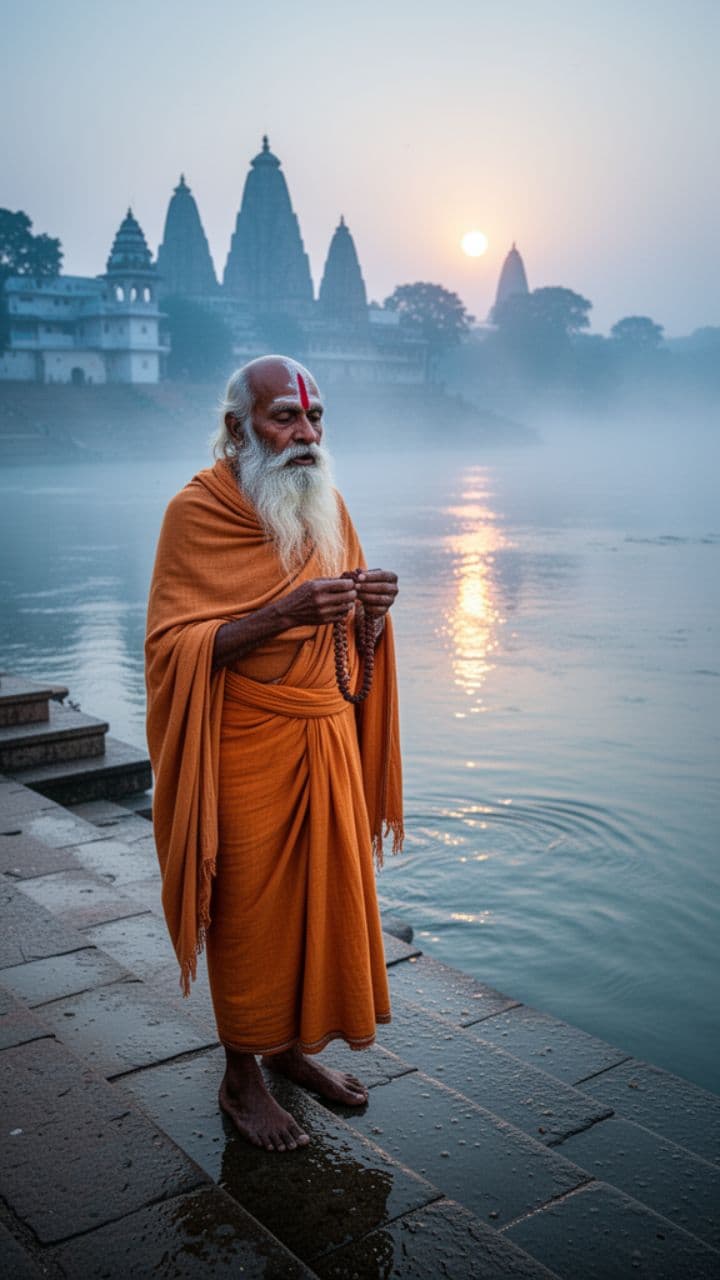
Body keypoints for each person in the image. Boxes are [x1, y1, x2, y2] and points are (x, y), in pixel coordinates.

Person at [145, 355, 403, 1154]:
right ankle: (240, 1075)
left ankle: (291, 1050)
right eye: (285, 418)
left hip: (322, 737)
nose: (306, 434)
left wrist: (372, 616)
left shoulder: (326, 502)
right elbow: (171, 649)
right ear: (237, 428)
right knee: (249, 908)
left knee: (317, 900)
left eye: (316, 417)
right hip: (243, 743)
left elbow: (345, 655)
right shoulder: (197, 512)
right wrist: (278, 614)